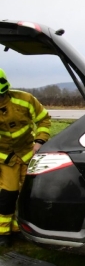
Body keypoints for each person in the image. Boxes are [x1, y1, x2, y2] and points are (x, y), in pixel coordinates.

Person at [0, 68, 51, 247]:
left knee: (26, 195)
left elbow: (43, 119)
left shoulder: (25, 100)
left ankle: (18, 228)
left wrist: (39, 141)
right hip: (5, 158)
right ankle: (3, 233)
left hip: (28, 154)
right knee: (7, 195)